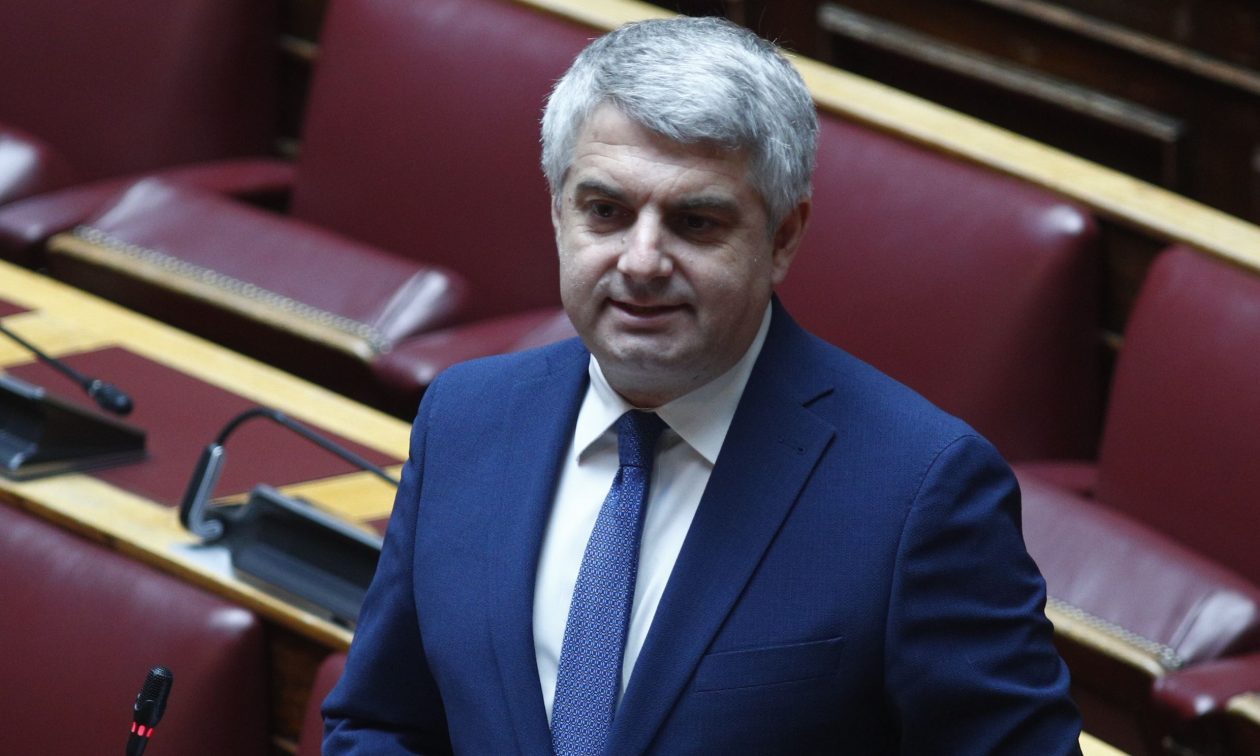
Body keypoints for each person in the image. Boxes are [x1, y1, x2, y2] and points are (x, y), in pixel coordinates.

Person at [323, 15, 1082, 755]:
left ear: (783, 237)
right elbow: (382, 722)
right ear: (558, 213)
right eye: (606, 212)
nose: (641, 261)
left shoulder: (919, 492)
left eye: (696, 223)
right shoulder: (466, 418)